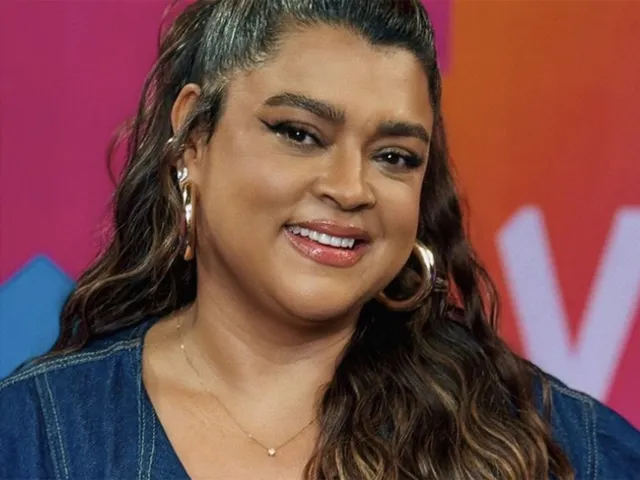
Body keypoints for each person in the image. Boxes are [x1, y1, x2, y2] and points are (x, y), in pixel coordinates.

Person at [1, 0, 639, 478]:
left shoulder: (547, 440)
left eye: (394, 156)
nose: (350, 187)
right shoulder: (40, 433)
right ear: (194, 138)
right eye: (300, 134)